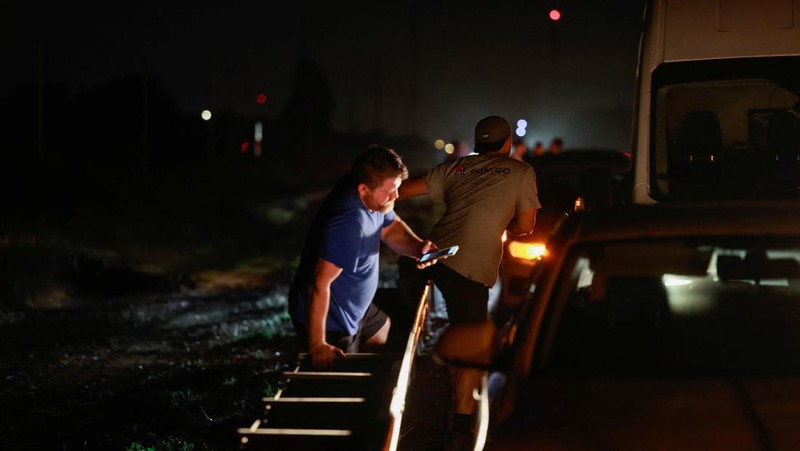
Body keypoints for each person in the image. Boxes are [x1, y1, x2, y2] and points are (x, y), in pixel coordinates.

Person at [398, 115, 541, 449]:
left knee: (437, 318)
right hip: (470, 269)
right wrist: (502, 224)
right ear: (508, 143)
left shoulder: (456, 168)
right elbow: (525, 227)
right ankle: (460, 429)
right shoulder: (522, 172)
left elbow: (400, 191)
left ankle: (433, 354)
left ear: (478, 143)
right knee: (474, 350)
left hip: (431, 258)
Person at [288, 145, 440, 369]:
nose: (396, 196)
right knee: (338, 385)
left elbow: (389, 228)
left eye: (397, 188)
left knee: (381, 328)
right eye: (390, 190)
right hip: (332, 316)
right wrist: (317, 343)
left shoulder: (375, 197)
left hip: (356, 308)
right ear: (362, 190)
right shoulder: (349, 223)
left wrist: (418, 248)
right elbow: (318, 284)